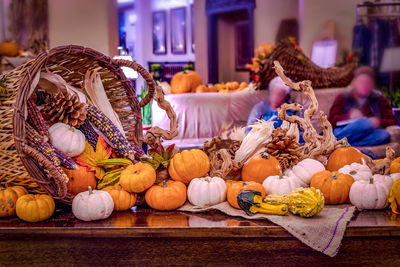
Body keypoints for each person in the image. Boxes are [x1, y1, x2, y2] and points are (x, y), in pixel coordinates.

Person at [328, 66, 396, 147]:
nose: (364, 85)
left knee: (384, 135)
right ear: (355, 82)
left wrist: (378, 122)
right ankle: (334, 142)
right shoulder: (343, 97)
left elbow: (392, 120)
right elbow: (330, 120)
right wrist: (349, 116)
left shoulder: (380, 99)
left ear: (372, 84)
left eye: (368, 82)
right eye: (361, 82)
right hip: (343, 130)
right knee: (365, 123)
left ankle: (340, 145)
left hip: (368, 133)